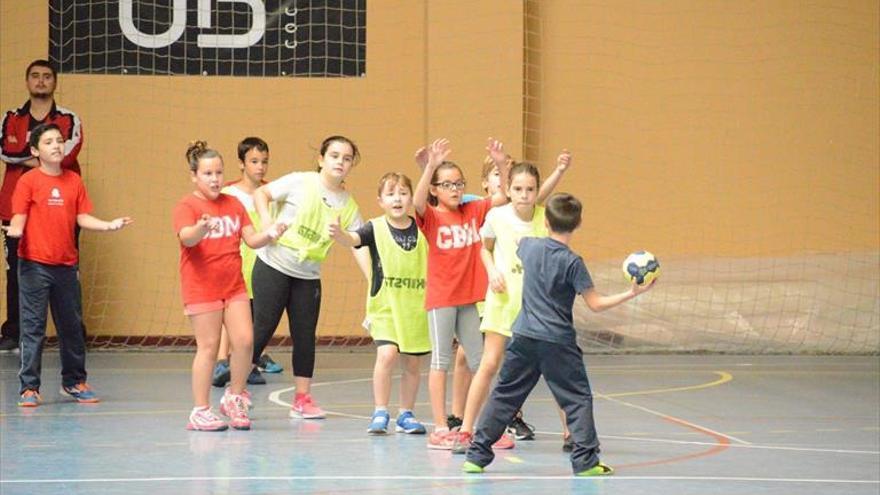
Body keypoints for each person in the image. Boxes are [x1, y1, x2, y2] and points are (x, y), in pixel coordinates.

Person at [462, 192, 655, 476]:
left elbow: (515, 240)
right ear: (579, 224)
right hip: (558, 343)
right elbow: (596, 304)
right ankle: (586, 462)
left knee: (504, 396)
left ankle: (476, 456)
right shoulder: (573, 263)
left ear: (546, 221)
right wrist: (632, 292)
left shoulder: (529, 247)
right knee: (577, 399)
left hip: (524, 337)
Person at [452, 155, 572, 454]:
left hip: (536, 306)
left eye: (530, 189)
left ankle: (572, 432)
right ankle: (466, 430)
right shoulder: (496, 216)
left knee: (554, 367)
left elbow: (558, 255)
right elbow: (485, 250)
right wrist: (492, 272)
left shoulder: (545, 219)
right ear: (510, 188)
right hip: (503, 301)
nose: (524, 195)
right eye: (518, 189)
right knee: (489, 364)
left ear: (536, 191)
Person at [3, 123, 128, 407]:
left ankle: (73, 382)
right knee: (33, 327)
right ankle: (29, 387)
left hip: (66, 266)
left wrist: (110, 225)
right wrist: (15, 231)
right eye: (48, 142)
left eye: (59, 140)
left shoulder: (74, 181)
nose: (56, 146)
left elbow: (82, 218)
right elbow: (19, 218)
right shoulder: (28, 181)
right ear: (35, 150)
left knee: (71, 327)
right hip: (34, 265)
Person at [173, 141, 287, 431]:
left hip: (234, 286)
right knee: (209, 348)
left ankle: (234, 397)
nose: (214, 179)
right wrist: (201, 228)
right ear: (194, 176)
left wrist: (271, 233)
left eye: (219, 173)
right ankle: (200, 410)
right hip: (202, 288)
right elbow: (186, 237)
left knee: (246, 341)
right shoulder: (187, 205)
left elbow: (251, 239)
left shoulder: (233, 204)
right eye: (208, 173)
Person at [250, 135, 366, 419]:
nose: (340, 161)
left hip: (308, 275)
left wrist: (373, 279)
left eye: (347, 158)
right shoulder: (300, 182)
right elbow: (260, 194)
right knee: (261, 330)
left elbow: (358, 242)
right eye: (335, 155)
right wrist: (267, 223)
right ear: (321, 159)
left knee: (305, 336)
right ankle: (236, 390)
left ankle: (302, 399)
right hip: (273, 265)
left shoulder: (347, 204)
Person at [412, 138, 509, 449]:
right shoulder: (431, 216)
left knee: (481, 362)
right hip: (442, 299)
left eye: (459, 184)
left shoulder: (473, 210)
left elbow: (502, 197)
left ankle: (485, 427)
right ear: (436, 190)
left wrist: (502, 165)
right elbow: (416, 203)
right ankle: (440, 427)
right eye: (447, 185)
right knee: (440, 361)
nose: (454, 189)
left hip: (469, 299)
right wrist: (429, 166)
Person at [329, 172, 430, 435]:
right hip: (385, 306)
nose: (397, 198)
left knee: (412, 364)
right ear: (380, 200)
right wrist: (340, 234)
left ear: (411, 198)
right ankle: (380, 410)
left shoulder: (423, 227)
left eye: (403, 193)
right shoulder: (374, 227)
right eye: (391, 193)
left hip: (416, 308)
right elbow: (353, 240)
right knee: (387, 355)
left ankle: (406, 414)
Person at [0, 59, 84, 353]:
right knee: (16, 270)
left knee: (66, 270)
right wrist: (43, 158)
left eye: (47, 76)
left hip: (61, 208)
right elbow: (4, 149)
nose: (40, 81)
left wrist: (26, 155)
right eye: (35, 76)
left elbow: (68, 154)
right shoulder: (10, 117)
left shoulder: (68, 118)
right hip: (16, 210)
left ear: (54, 82)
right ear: (27, 82)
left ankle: (72, 332)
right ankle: (15, 332)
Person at [211, 137, 283, 389]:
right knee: (230, 313)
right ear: (241, 163)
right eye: (254, 161)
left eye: (264, 162)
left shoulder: (272, 193)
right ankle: (223, 361)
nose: (260, 167)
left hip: (264, 262)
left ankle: (247, 362)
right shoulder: (229, 194)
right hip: (235, 261)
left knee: (256, 316)